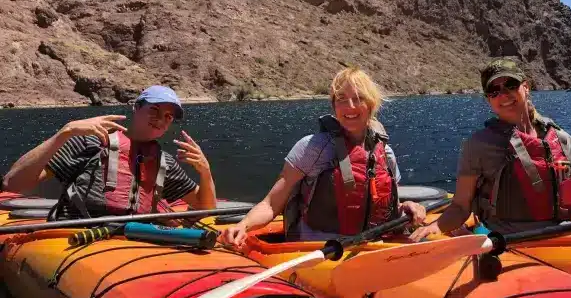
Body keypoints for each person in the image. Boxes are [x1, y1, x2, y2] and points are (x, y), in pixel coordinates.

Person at [409, 57, 571, 241]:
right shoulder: (478, 145)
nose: (504, 94)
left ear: (526, 87)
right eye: (494, 90)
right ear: (488, 99)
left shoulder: (561, 138)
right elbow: (460, 207)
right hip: (509, 241)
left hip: (565, 236)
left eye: (510, 85)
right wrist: (435, 228)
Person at [221, 66, 426, 247]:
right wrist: (244, 225)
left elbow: (387, 206)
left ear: (371, 104)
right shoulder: (313, 147)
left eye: (358, 98)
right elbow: (271, 204)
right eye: (342, 99)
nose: (350, 107)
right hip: (320, 248)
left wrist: (406, 207)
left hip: (370, 246)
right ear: (334, 106)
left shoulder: (386, 153)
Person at [1, 85, 216, 219]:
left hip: (135, 240)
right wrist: (64, 133)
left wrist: (205, 172)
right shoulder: (92, 142)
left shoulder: (164, 161)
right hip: (79, 235)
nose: (161, 120)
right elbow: (13, 183)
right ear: (136, 108)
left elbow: (206, 208)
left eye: (169, 117)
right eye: (154, 110)